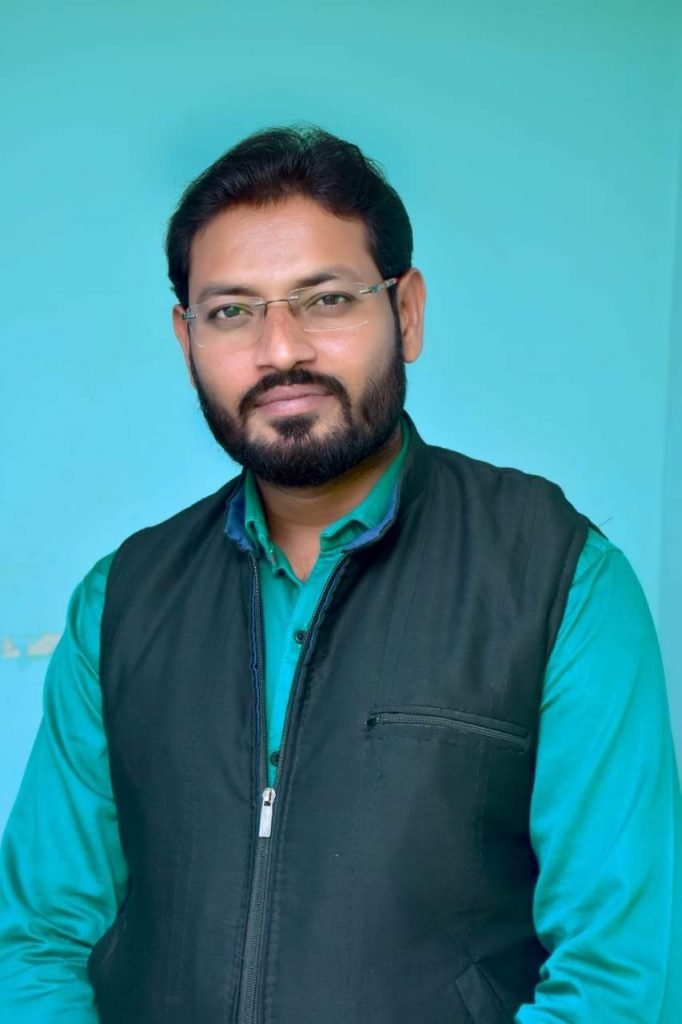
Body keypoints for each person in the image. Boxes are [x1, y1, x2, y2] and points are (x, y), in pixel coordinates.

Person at [0, 125, 680, 1024]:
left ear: (407, 312)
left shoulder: (557, 579)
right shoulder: (120, 603)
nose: (280, 349)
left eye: (325, 299)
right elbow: (39, 941)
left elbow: (619, 976)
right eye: (232, 311)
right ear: (185, 337)